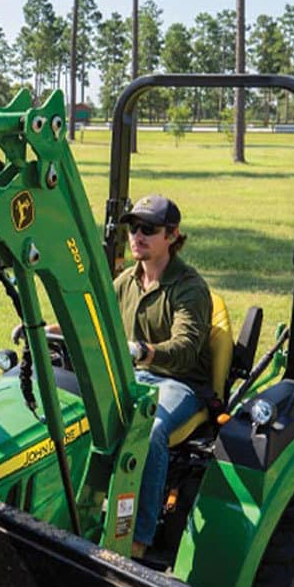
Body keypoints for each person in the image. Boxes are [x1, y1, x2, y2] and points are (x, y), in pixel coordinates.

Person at [114, 195, 212, 559]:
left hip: (179, 383)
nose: (137, 236)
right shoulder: (127, 280)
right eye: (133, 227)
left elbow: (186, 348)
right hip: (133, 375)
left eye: (148, 230)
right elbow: (96, 316)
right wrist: (46, 328)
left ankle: (137, 540)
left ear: (172, 236)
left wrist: (144, 351)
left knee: (148, 429)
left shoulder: (189, 287)